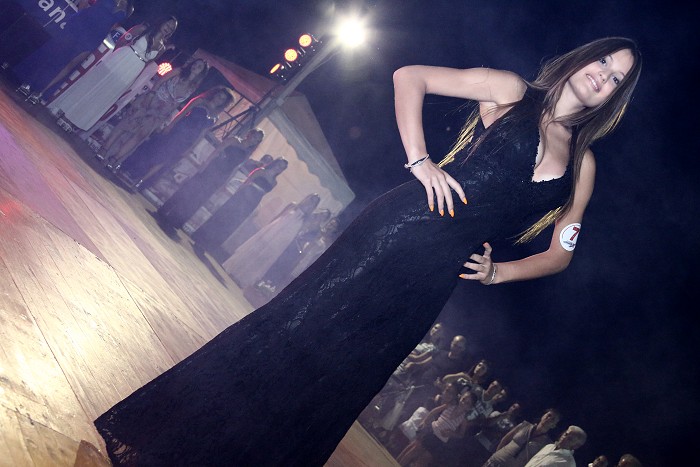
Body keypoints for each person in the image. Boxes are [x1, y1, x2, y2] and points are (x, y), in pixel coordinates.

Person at [93, 37, 642, 466]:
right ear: (583, 58)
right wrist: (420, 161)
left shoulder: (582, 165)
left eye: (616, 79)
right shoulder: (512, 90)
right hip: (399, 229)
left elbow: (562, 252)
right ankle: (176, 442)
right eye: (604, 62)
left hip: (435, 275)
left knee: (347, 373)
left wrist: (499, 273)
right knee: (299, 329)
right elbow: (410, 77)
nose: (603, 76)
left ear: (614, 97)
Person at [47, 16, 178, 131]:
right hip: (122, 57)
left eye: (171, 29)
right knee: (92, 84)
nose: (168, 29)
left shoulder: (162, 47)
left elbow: (148, 63)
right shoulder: (143, 29)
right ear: (162, 22)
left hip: (133, 69)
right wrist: (118, 55)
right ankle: (63, 109)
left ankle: (74, 120)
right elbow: (122, 40)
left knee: (103, 94)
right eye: (168, 25)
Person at [99, 58, 211, 168]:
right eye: (195, 64)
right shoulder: (179, 72)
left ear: (202, 73)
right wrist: (150, 95)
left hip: (160, 113)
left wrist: (165, 119)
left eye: (199, 67)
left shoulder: (192, 87)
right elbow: (160, 81)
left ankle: (115, 158)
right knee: (126, 124)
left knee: (140, 135)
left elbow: (177, 103)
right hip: (151, 101)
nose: (195, 67)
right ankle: (104, 150)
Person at [13, 0, 134, 101]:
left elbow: (114, 25)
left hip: (95, 36)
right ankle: (28, 82)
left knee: (70, 64)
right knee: (55, 52)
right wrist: (80, 15)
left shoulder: (129, 8)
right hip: (81, 24)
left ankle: (40, 92)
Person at [117, 86, 235, 188]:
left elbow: (202, 133)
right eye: (219, 96)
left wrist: (191, 147)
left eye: (222, 99)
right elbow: (182, 113)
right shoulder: (200, 101)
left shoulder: (215, 117)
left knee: (164, 160)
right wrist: (170, 126)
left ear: (224, 103)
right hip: (177, 131)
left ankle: (140, 180)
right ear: (214, 94)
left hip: (187, 140)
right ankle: (130, 170)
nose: (219, 99)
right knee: (154, 150)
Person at [152, 128, 264, 230]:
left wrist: (225, 182)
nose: (254, 141)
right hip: (211, 168)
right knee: (188, 190)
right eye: (255, 137)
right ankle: (163, 211)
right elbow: (217, 151)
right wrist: (205, 165)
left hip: (221, 176)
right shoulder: (234, 140)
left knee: (198, 199)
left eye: (257, 140)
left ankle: (175, 221)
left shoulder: (247, 153)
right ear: (249, 134)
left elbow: (235, 168)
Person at [192, 157, 289, 262]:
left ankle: (209, 246)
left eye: (282, 168)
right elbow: (247, 182)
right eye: (279, 165)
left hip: (253, 201)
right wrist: (237, 195)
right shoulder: (261, 171)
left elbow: (263, 193)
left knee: (232, 224)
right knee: (222, 217)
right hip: (243, 196)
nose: (279, 168)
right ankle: (200, 239)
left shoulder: (274, 183)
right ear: (275, 163)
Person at [221, 193, 322, 286]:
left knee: (262, 258)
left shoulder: (306, 219)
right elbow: (278, 216)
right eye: (311, 199)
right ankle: (233, 269)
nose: (311, 203)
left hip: (281, 241)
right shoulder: (293, 205)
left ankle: (242, 279)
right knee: (253, 249)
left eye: (314, 202)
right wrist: (267, 228)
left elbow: (299, 234)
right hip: (272, 231)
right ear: (307, 198)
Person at [483, 408, 562, 467]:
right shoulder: (524, 425)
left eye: (553, 419)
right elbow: (506, 439)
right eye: (548, 415)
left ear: (554, 426)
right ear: (543, 415)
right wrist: (496, 454)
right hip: (496, 460)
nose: (549, 419)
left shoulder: (546, 444)